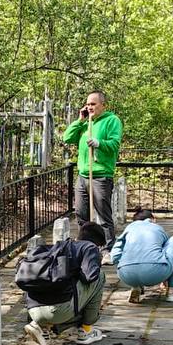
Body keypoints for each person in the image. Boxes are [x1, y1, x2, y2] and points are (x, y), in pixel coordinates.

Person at [16, 222, 107, 345]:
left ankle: (42, 328)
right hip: (58, 312)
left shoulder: (61, 247)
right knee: (100, 276)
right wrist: (96, 262)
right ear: (97, 243)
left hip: (33, 310)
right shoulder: (89, 247)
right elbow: (90, 277)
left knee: (60, 286)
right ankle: (86, 331)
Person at [62, 90, 123, 255]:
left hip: (101, 176)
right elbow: (67, 138)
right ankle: (86, 248)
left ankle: (108, 250)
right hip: (83, 175)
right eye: (88, 104)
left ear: (103, 105)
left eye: (93, 104)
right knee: (81, 214)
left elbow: (115, 145)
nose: (89, 107)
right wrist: (79, 120)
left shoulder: (112, 121)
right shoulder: (85, 123)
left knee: (103, 216)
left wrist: (99, 143)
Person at [110, 208, 173, 304]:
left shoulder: (129, 228)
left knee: (132, 256)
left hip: (126, 276)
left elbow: (115, 256)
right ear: (153, 219)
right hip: (155, 273)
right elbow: (166, 252)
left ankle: (135, 287)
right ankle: (171, 293)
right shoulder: (156, 227)